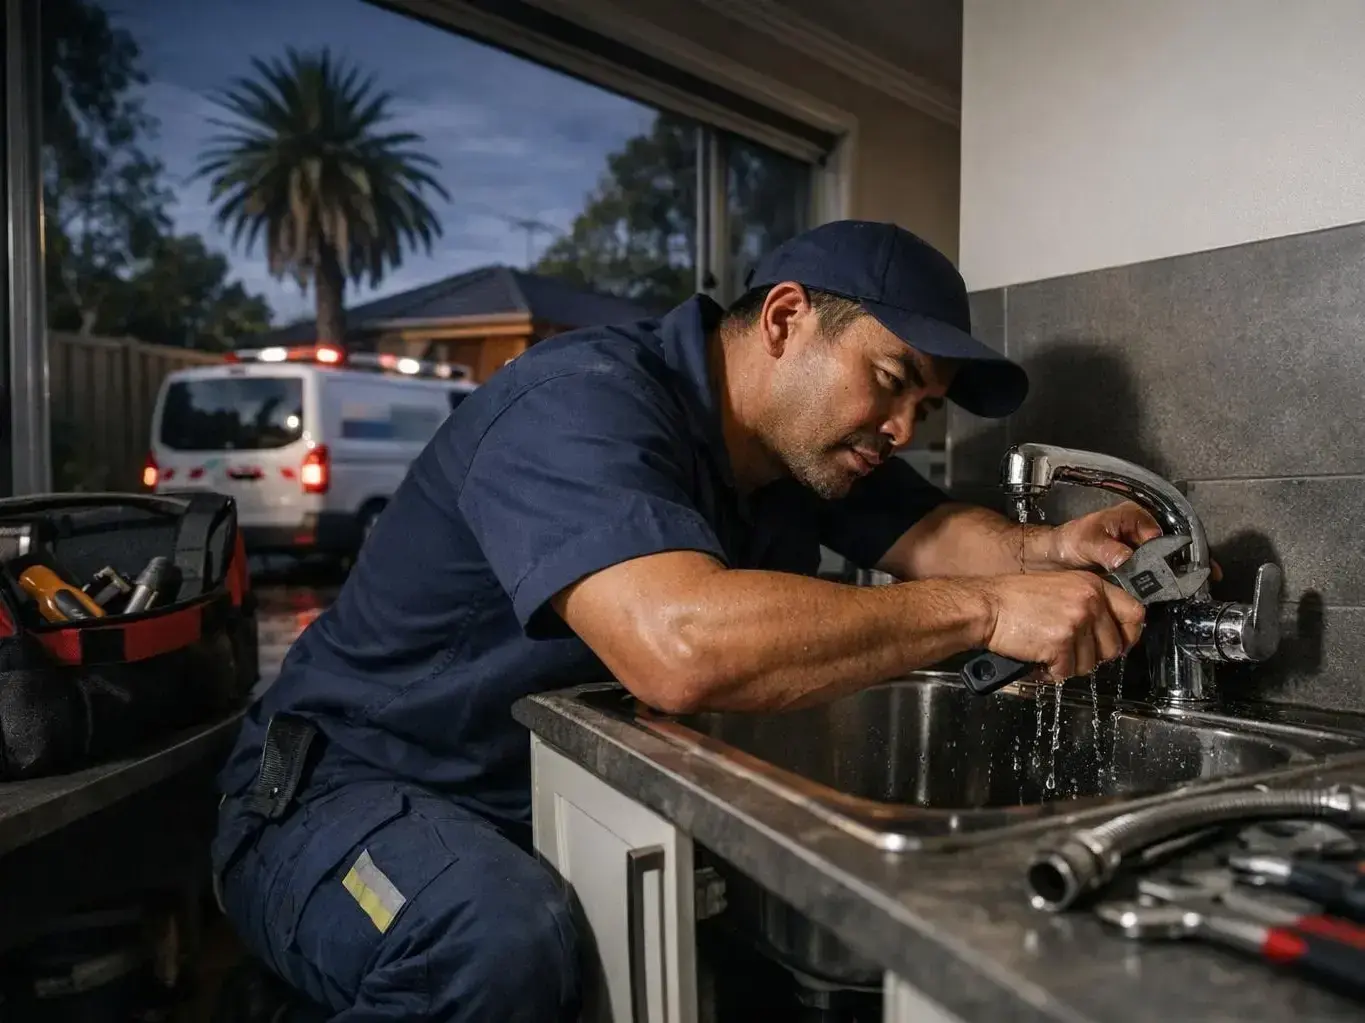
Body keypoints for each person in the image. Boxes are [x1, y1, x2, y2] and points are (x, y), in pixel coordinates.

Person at [211, 220, 1156, 1021]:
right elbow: (680, 648)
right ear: (784, 318)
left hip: (525, 798)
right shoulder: (577, 403)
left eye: (925, 406)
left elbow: (941, 535)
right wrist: (987, 608)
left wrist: (1051, 551)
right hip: (339, 795)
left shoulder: (802, 451)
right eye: (889, 377)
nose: (904, 428)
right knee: (495, 941)